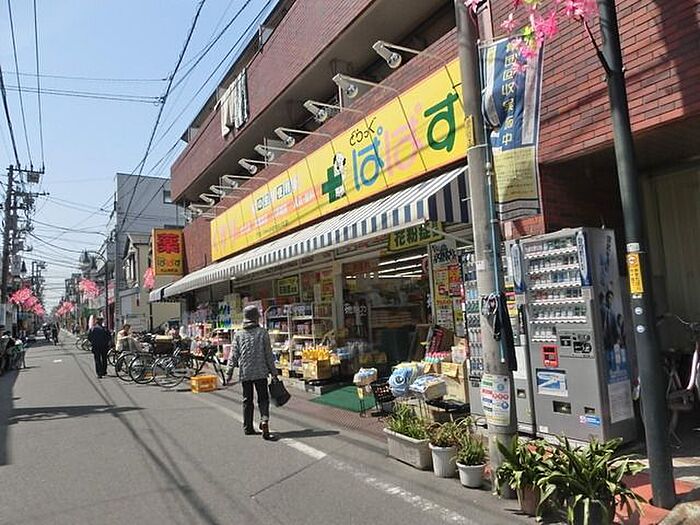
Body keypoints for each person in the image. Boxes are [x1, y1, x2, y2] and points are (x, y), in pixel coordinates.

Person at [226, 305, 277, 440]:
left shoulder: (239, 334)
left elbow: (233, 355)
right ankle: (264, 419)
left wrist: (228, 372)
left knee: (247, 399)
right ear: (256, 317)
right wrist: (274, 372)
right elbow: (268, 355)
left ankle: (248, 427)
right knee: (263, 398)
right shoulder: (263, 333)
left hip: (246, 372)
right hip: (261, 371)